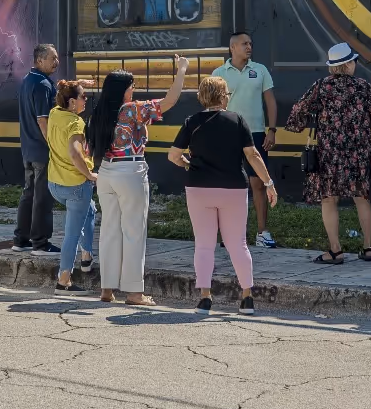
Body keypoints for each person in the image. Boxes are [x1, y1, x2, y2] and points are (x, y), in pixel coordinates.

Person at [169, 76, 277, 314]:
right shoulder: (237, 120)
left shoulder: (192, 122)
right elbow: (253, 156)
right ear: (222, 96)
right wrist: (268, 183)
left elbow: (173, 156)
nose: (228, 97)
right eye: (227, 93)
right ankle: (247, 298)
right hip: (233, 188)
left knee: (204, 245)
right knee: (238, 244)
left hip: (199, 189)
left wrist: (188, 164)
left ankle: (205, 299)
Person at [85, 58, 188, 305]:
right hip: (130, 171)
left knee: (109, 231)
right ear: (123, 89)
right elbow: (169, 101)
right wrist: (182, 70)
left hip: (106, 173)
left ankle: (107, 290)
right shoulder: (131, 109)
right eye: (131, 86)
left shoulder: (98, 113)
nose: (134, 90)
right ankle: (134, 293)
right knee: (134, 232)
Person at [283, 42, 371, 264]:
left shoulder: (321, 86)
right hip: (359, 152)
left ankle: (335, 250)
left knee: (329, 200)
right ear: (349, 64)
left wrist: (303, 124)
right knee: (362, 198)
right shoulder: (362, 86)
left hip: (329, 153)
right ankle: (368, 247)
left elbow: (297, 112)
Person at [211, 31, 279, 248]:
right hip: (225, 134)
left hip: (256, 134)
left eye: (250, 43)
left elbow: (270, 102)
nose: (249, 47)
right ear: (233, 47)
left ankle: (262, 233)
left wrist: (272, 130)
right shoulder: (218, 73)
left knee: (258, 183)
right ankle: (229, 235)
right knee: (228, 186)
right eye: (244, 44)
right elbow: (212, 107)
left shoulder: (260, 70)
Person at [46, 79, 97, 292]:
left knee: (91, 210)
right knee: (71, 234)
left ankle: (86, 256)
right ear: (73, 103)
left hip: (55, 183)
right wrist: (90, 175)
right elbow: (76, 154)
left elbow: (65, 90)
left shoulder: (54, 113)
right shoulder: (76, 123)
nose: (86, 99)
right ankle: (63, 279)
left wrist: (78, 83)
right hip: (76, 184)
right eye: (83, 96)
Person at [13, 44, 59, 253]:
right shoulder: (42, 84)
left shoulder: (27, 81)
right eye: (53, 58)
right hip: (42, 149)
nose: (56, 62)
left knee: (29, 194)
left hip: (28, 149)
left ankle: (21, 240)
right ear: (40, 60)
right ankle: (40, 243)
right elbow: (43, 120)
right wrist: (54, 145)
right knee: (43, 197)